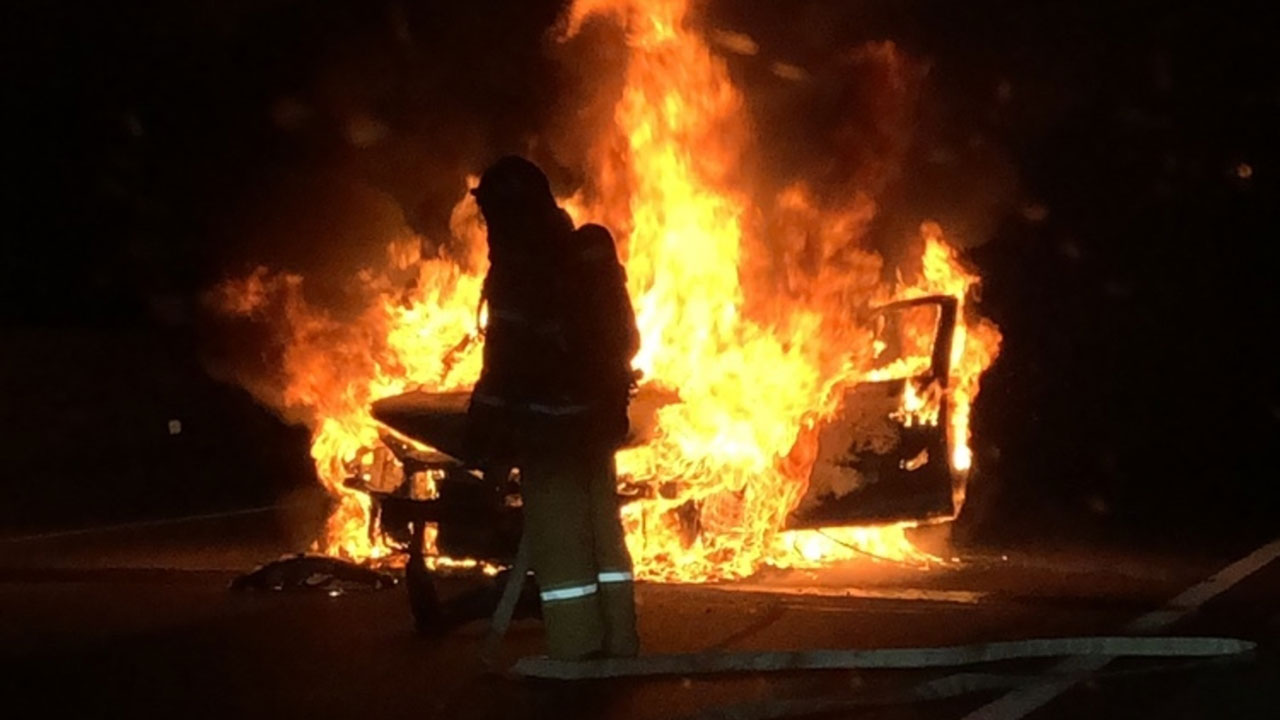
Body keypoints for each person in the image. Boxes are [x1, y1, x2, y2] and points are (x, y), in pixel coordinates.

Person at [466, 155, 640, 659]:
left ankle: (576, 652)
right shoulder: (581, 253)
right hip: (598, 423)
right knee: (604, 539)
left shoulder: (519, 268)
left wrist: (481, 431)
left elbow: (506, 360)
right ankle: (621, 639)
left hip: (549, 433)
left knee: (562, 549)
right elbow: (624, 343)